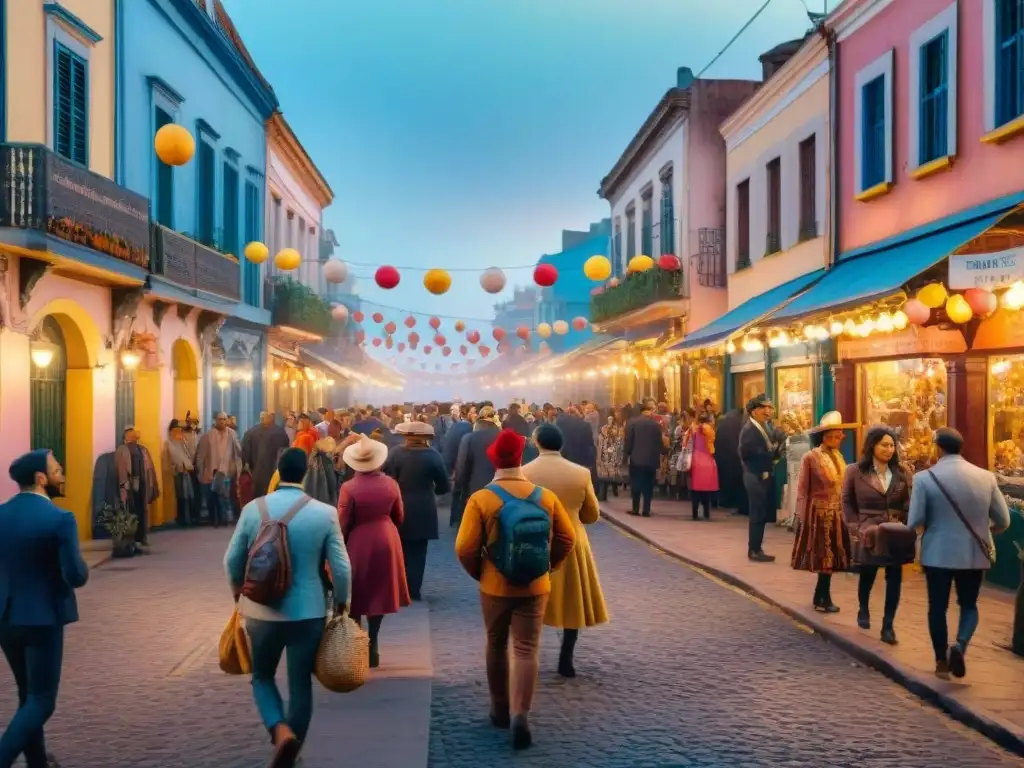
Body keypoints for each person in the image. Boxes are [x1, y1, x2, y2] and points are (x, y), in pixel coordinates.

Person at [224, 448, 350, 768]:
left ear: (278, 472)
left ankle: (280, 732)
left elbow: (231, 561)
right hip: (308, 613)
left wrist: (239, 594)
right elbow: (342, 568)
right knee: (300, 684)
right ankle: (292, 747)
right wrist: (342, 602)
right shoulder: (324, 513)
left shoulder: (254, 509)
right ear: (305, 474)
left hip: (261, 611)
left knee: (262, 676)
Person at [455, 429, 576, 750]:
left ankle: (499, 708)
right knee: (526, 648)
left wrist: (482, 573)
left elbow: (465, 547)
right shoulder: (545, 496)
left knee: (496, 644)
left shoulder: (481, 499)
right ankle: (521, 713)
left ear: (494, 462)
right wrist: (548, 566)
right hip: (535, 585)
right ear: (521, 460)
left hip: (495, 585)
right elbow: (567, 539)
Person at [0, 449, 89, 768]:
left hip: (6, 617)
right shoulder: (60, 518)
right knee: (42, 699)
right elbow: (75, 576)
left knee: (28, 693)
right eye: (56, 469)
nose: (61, 472)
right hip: (42, 618)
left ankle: (36, 760)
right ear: (41, 479)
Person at [907, 427, 1011, 679]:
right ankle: (960, 645)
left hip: (937, 554)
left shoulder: (924, 478)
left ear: (937, 448)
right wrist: (983, 531)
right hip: (973, 552)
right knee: (969, 605)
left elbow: (915, 520)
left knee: (937, 607)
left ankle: (941, 661)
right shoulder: (986, 477)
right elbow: (1004, 520)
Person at [522, 424, 607, 679]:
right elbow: (591, 515)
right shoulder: (580, 473)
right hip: (571, 540)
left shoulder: (524, 473)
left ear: (537, 443)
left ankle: (528, 657)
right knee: (572, 599)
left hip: (534, 540)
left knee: (531, 601)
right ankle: (566, 658)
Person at [338, 434, 410, 668]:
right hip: (386, 539)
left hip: (359, 541)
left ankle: (358, 643)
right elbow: (399, 516)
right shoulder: (391, 484)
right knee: (379, 593)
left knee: (356, 593)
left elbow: (342, 522)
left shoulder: (349, 488)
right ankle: (374, 640)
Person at [842, 425, 914, 645]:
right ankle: (863, 608)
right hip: (868, 530)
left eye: (892, 445)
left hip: (895, 531)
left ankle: (888, 626)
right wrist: (855, 527)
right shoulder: (854, 471)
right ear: (872, 445)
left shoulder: (903, 472)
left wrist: (906, 521)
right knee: (868, 573)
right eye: (884, 445)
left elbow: (910, 502)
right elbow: (847, 501)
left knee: (895, 578)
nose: (889, 449)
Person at [790, 412, 855, 613]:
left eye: (838, 437)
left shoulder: (839, 456)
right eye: (831, 436)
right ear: (823, 437)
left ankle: (820, 596)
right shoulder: (810, 458)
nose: (836, 440)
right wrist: (799, 516)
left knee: (832, 556)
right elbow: (802, 489)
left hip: (836, 512)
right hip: (817, 513)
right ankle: (823, 598)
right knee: (823, 556)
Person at [383, 421, 450, 600]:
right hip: (424, 508)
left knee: (399, 549)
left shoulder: (396, 453)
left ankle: (399, 588)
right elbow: (444, 486)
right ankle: (414, 590)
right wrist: (433, 491)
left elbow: (385, 476)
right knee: (419, 552)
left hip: (398, 506)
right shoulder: (433, 456)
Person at [738, 394, 786, 561]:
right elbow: (748, 453)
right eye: (763, 408)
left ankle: (757, 548)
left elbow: (769, 448)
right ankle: (754, 550)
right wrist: (772, 451)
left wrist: (777, 446)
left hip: (761, 475)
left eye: (769, 408)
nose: (768, 411)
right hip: (755, 475)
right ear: (753, 412)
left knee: (761, 513)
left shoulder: (764, 426)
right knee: (757, 513)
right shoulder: (750, 430)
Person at [452, 405, 501, 528]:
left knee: (475, 527)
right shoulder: (503, 437)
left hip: (475, 488)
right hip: (501, 489)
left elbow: (462, 465)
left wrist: (459, 485)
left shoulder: (469, 438)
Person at [115, 426, 159, 548]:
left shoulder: (143, 450)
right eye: (131, 434)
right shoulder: (121, 450)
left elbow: (150, 469)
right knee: (130, 510)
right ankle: (131, 538)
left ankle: (142, 536)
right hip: (129, 484)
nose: (134, 436)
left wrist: (152, 485)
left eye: (135, 434)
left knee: (142, 510)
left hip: (142, 483)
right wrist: (124, 485)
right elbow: (120, 471)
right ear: (126, 436)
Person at [196, 412, 241, 528]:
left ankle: (223, 519)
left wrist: (237, 468)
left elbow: (238, 451)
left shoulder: (232, 434)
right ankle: (213, 518)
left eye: (224, 419)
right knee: (212, 497)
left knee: (224, 496)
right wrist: (200, 471)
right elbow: (201, 455)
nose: (222, 422)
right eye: (220, 419)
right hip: (211, 471)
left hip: (226, 471)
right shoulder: (208, 436)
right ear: (215, 421)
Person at [623, 402, 667, 517]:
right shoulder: (655, 425)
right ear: (648, 411)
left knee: (636, 484)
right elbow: (660, 443)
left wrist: (627, 454)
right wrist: (664, 452)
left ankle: (635, 509)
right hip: (651, 461)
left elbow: (629, 442)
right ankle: (646, 510)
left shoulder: (633, 423)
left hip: (636, 460)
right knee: (648, 486)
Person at [241, 412, 291, 499]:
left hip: (256, 472)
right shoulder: (280, 432)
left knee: (258, 497)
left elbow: (245, 453)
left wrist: (246, 466)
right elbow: (285, 452)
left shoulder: (251, 432)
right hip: (275, 473)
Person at [686, 411, 719, 520]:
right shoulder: (710, 430)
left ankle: (694, 514)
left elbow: (686, 443)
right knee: (706, 489)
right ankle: (706, 513)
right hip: (707, 460)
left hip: (696, 459)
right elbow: (711, 447)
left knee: (695, 489)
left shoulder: (693, 429)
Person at [164, 419, 196, 527]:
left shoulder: (183, 442)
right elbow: (174, 457)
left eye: (180, 430)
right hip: (178, 472)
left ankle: (189, 518)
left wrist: (188, 439)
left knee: (189, 496)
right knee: (182, 496)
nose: (179, 432)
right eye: (176, 430)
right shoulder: (169, 443)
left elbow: (191, 453)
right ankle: (183, 519)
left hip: (187, 470)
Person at [596, 414, 625, 501]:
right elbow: (600, 446)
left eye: (611, 419)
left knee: (613, 475)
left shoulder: (616, 432)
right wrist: (599, 458)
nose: (610, 420)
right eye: (609, 419)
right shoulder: (603, 431)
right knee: (604, 477)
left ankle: (614, 490)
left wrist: (619, 459)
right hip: (605, 457)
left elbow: (620, 447)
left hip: (613, 457)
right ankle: (604, 494)